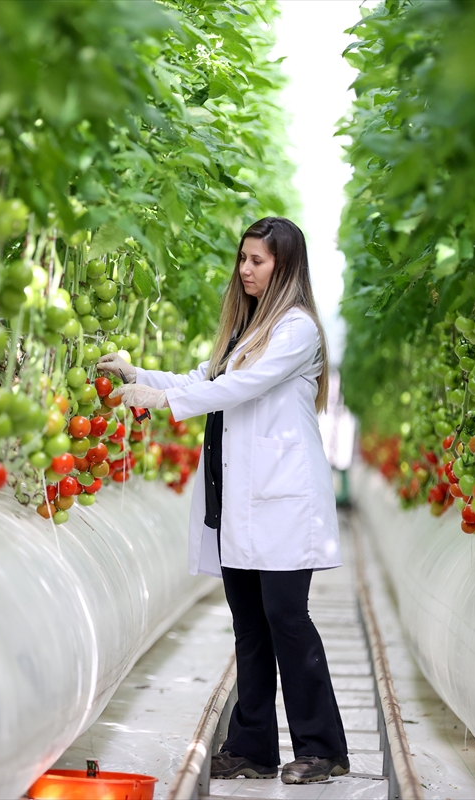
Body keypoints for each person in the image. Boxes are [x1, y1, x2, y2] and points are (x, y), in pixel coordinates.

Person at [97, 217, 348, 785]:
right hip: (241, 503)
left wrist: (160, 401)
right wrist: (139, 374)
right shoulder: (248, 330)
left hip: (283, 503)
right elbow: (204, 376)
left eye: (258, 261)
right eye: (243, 258)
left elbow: (239, 387)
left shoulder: (296, 329)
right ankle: (252, 747)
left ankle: (322, 747)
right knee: (250, 627)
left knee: (287, 620)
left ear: (285, 267)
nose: (245, 270)